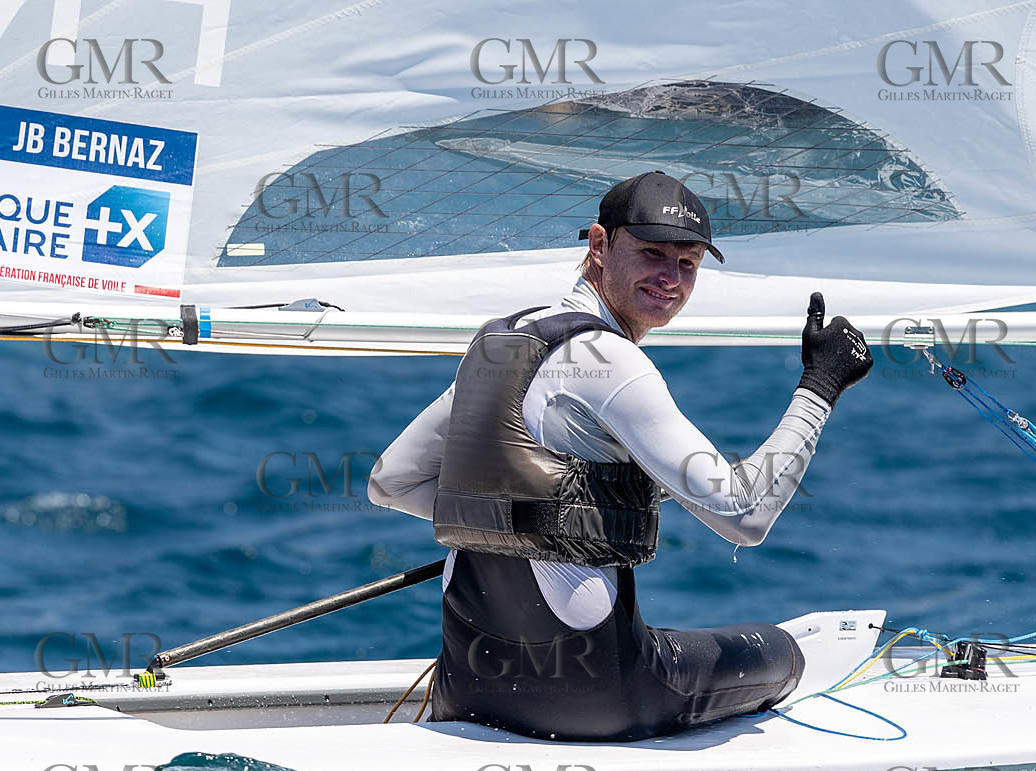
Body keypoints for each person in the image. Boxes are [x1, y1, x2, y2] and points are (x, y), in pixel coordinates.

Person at [368, 171, 872, 741]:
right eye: (652, 253)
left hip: (470, 689)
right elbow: (744, 515)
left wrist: (519, 522)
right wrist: (821, 384)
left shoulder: (500, 341)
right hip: (595, 700)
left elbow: (390, 483)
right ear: (600, 246)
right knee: (778, 650)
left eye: (688, 264)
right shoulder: (612, 362)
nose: (670, 278)